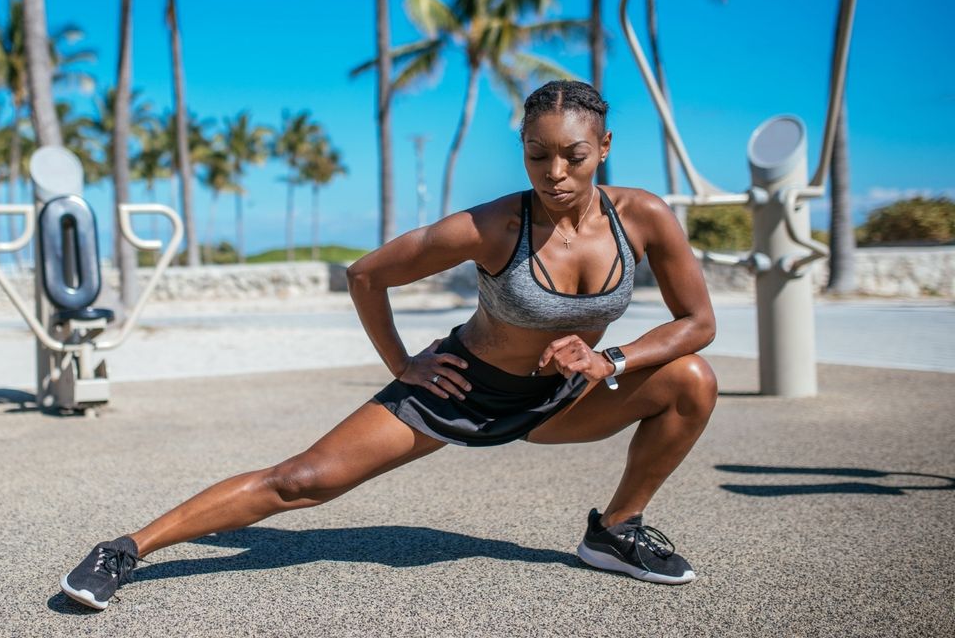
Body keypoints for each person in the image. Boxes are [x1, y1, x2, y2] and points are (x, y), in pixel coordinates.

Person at [61, 80, 718, 609]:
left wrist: (611, 360)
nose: (554, 173)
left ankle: (615, 531)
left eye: (573, 156)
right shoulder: (491, 225)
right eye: (536, 155)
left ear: (603, 145)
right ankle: (126, 549)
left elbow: (697, 321)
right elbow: (366, 275)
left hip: (560, 398)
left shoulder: (643, 217)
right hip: (460, 391)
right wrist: (405, 363)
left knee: (692, 379)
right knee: (301, 481)